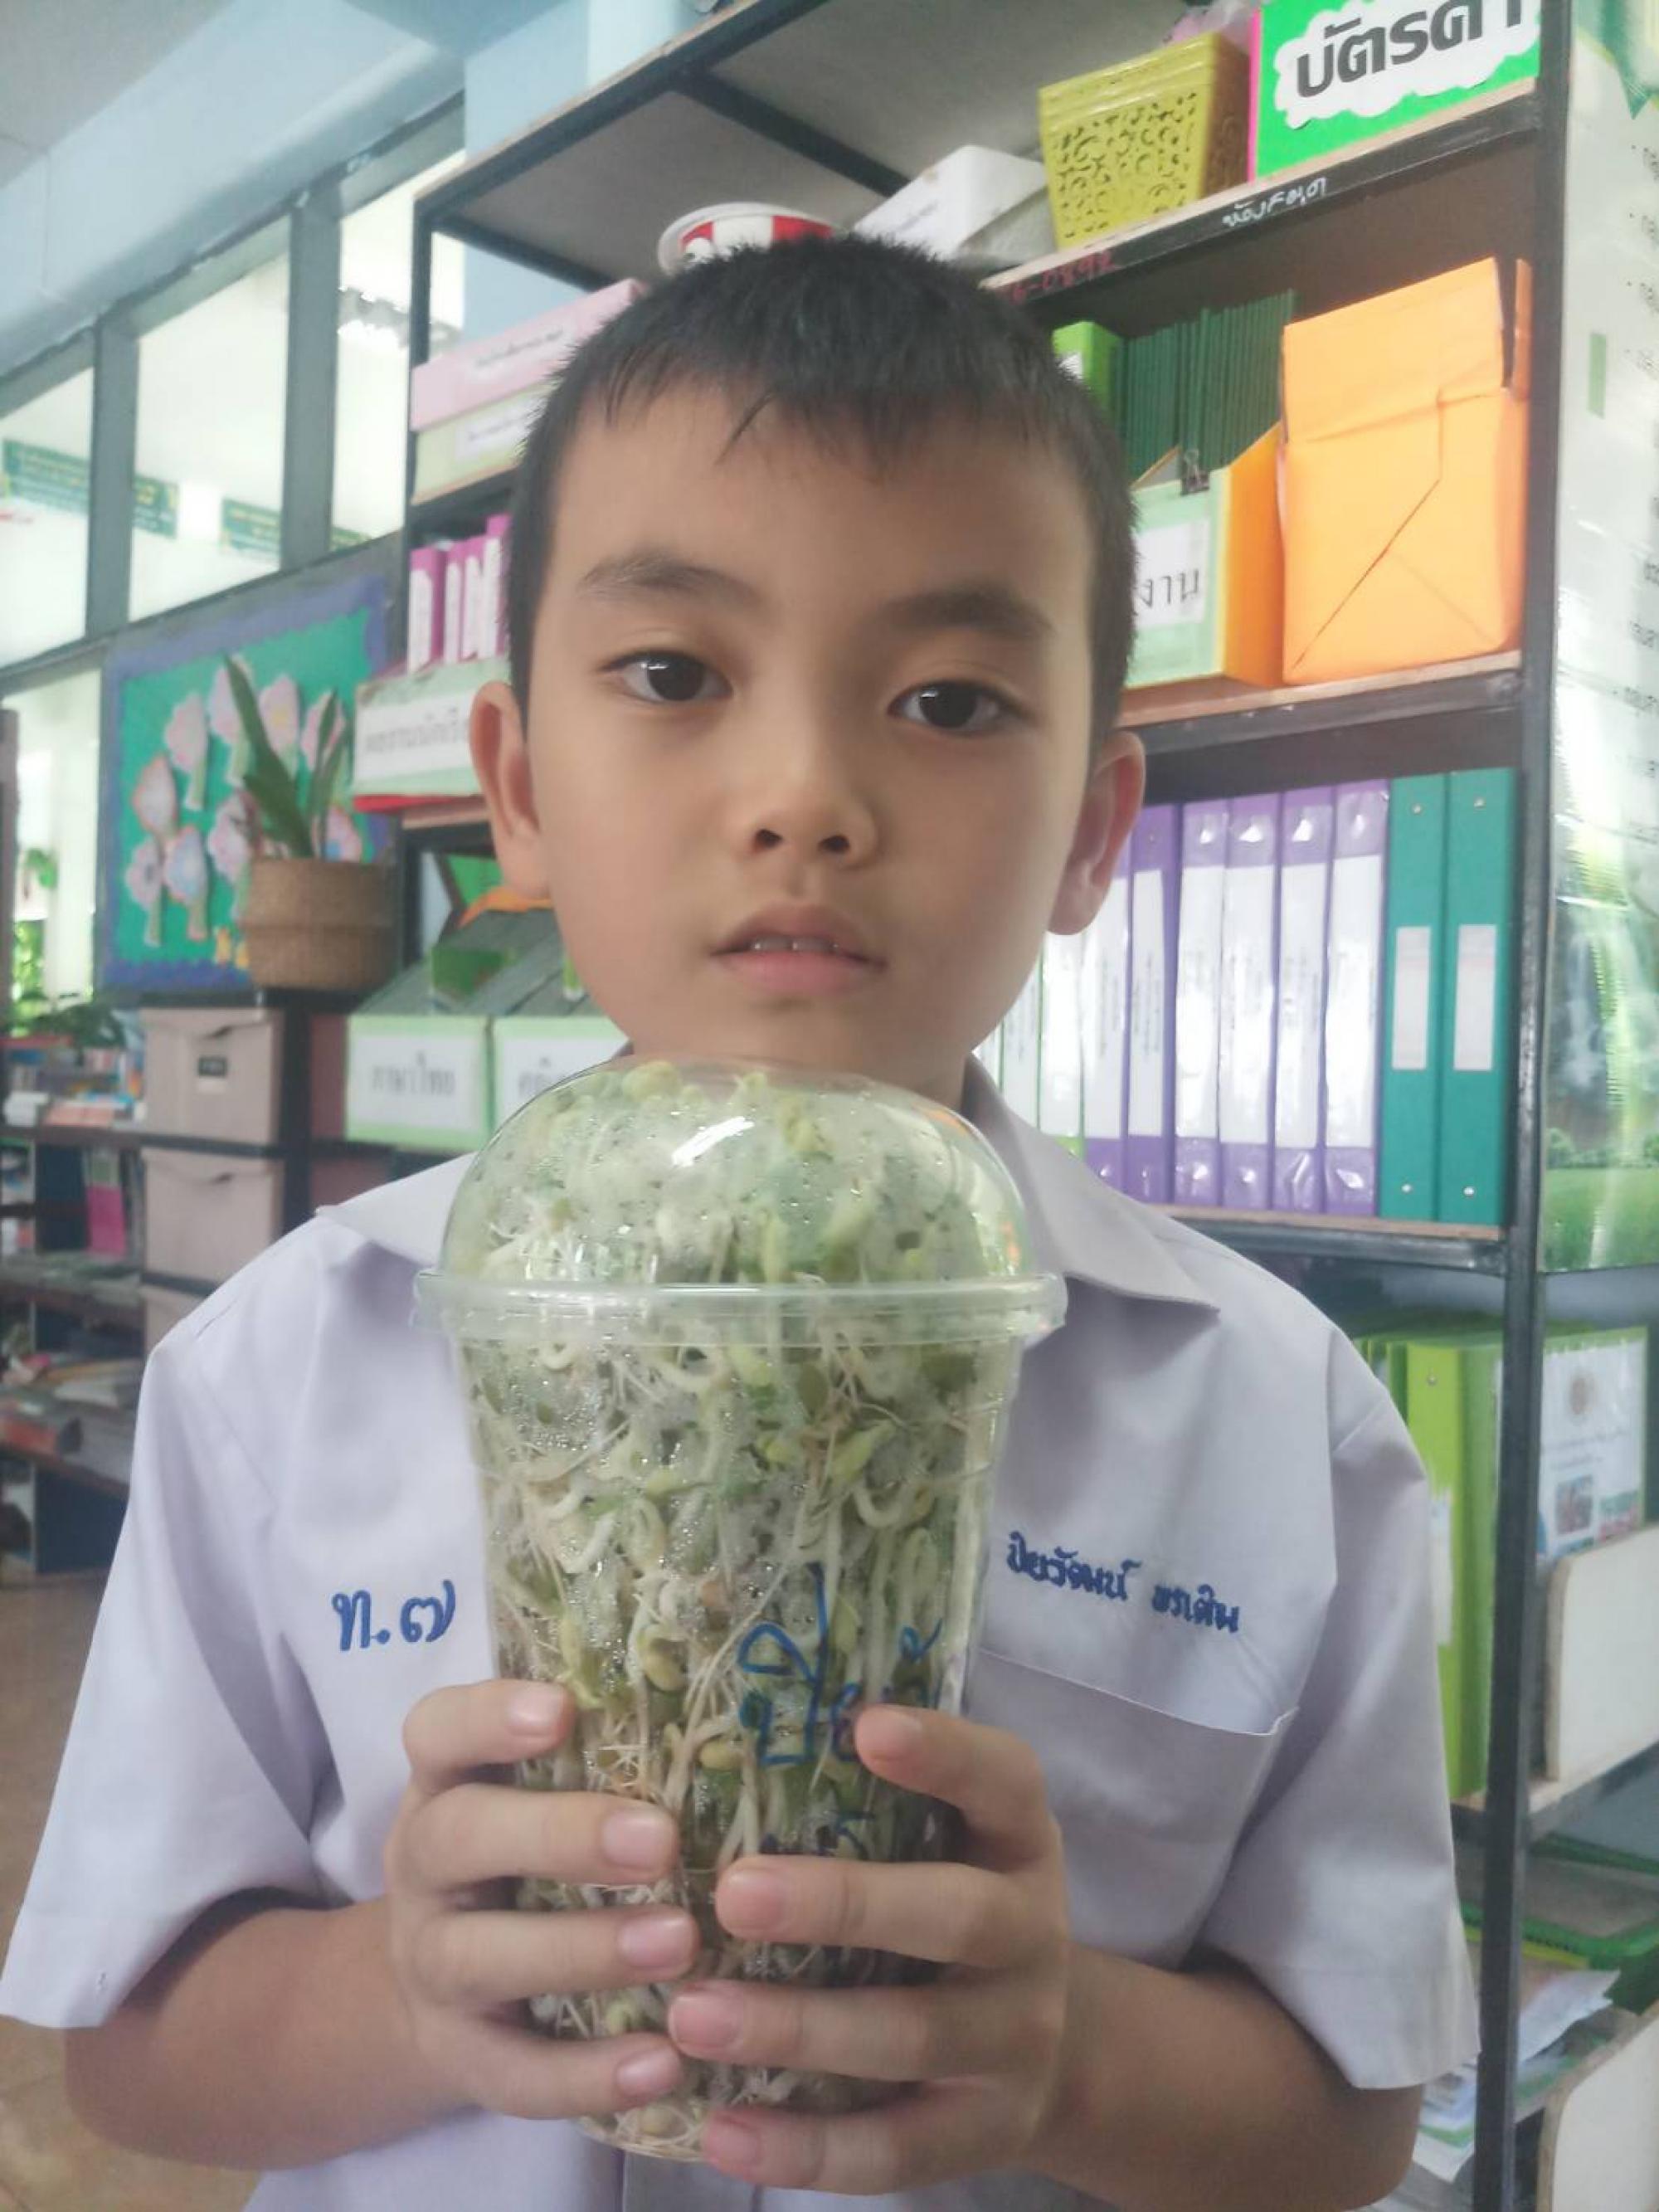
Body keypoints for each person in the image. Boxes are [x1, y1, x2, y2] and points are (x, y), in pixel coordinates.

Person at [0, 236, 1473, 2212]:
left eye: (948, 698)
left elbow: (1350, 2111)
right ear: (517, 789)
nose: (802, 796)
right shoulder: (282, 1366)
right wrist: (403, 1993)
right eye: (674, 674)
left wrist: (1069, 2054)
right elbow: (127, 2046)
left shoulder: (1281, 1418)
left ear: (1092, 829)